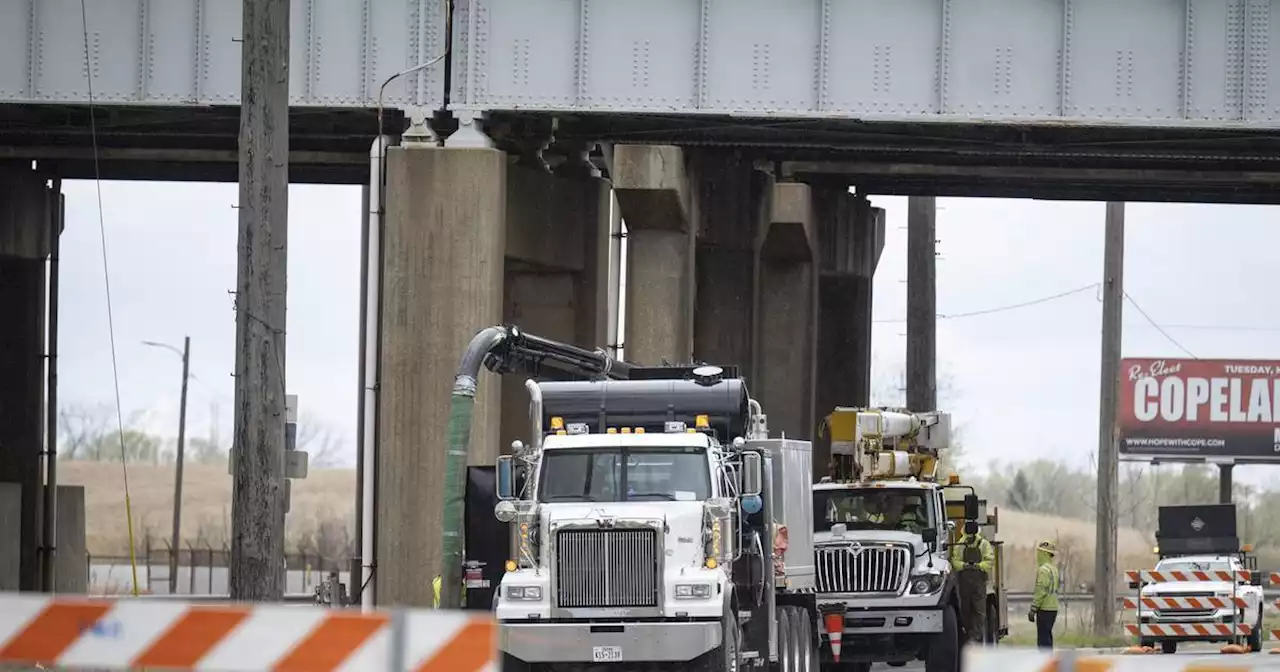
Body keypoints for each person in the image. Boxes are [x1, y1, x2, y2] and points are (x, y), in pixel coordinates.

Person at [950, 520, 994, 643]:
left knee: (970, 610)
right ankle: (973, 636)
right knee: (976, 611)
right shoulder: (982, 544)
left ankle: (973, 636)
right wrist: (970, 565)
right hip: (969, 583)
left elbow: (955, 561)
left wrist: (972, 566)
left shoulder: (961, 544)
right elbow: (989, 561)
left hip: (972, 582)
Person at [1028, 540, 1060, 650]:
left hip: (1044, 608)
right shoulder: (1054, 569)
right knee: (1048, 636)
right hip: (1053, 608)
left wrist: (1033, 608)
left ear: (1044, 554)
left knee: (1042, 640)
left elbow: (1041, 590)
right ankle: (1049, 660)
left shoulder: (1043, 570)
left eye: (1039, 553)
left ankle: (1045, 662)